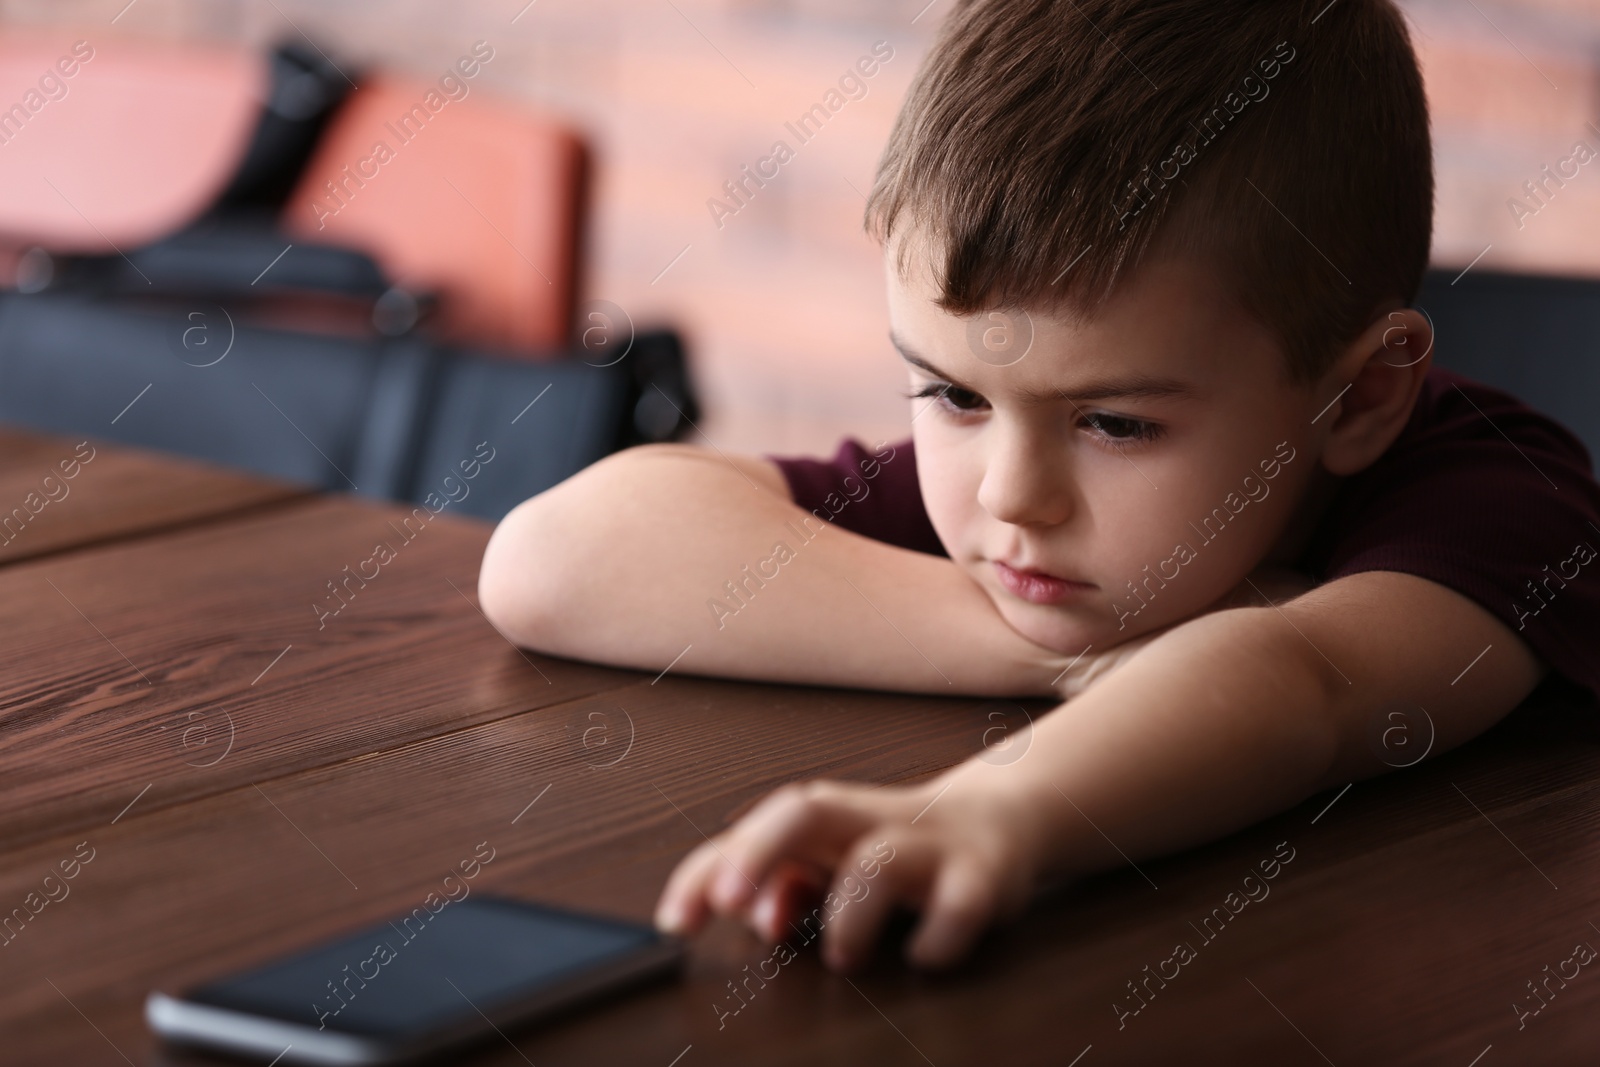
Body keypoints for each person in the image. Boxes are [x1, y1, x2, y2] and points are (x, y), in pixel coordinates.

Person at [477, 0, 1600, 972]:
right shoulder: (1027, 492)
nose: (1011, 496)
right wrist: (1067, 655)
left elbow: (1303, 681)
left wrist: (995, 806)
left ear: (1354, 401)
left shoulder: (1508, 505)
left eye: (1114, 422)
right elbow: (555, 559)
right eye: (951, 393)